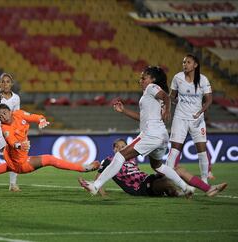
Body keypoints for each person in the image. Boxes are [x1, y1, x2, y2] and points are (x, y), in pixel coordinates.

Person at [79, 66, 196, 197]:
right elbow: (143, 117)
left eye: (143, 78)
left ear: (153, 79)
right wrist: (124, 111)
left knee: (120, 156)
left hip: (151, 133)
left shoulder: (152, 87)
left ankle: (95, 186)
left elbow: (166, 97)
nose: (140, 81)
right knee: (158, 166)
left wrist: (168, 110)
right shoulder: (151, 96)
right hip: (162, 135)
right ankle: (186, 187)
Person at [0, 104, 100, 186]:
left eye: (4, 113)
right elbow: (11, 141)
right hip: (20, 163)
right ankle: (84, 168)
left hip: (11, 159)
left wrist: (41, 120)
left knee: (8, 167)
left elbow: (35, 116)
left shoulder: (19, 114)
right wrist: (19, 146)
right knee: (49, 159)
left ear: (10, 111)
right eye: (0, 116)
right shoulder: (5, 127)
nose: (3, 117)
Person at [95, 139, 227, 197]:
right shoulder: (109, 161)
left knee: (178, 170)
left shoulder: (131, 158)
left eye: (123, 146)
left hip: (148, 179)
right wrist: (103, 194)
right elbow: (98, 178)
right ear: (113, 149)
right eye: (117, 147)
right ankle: (179, 192)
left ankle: (208, 189)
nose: (121, 148)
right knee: (167, 183)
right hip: (140, 188)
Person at [166, 54, 215, 183]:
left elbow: (209, 100)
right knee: (175, 148)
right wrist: (169, 104)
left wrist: (200, 112)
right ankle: (168, 179)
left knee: (201, 150)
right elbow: (172, 96)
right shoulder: (177, 78)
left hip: (197, 120)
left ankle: (204, 180)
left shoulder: (203, 80)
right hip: (180, 118)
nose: (184, 65)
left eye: (188, 62)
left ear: (195, 65)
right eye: (183, 62)